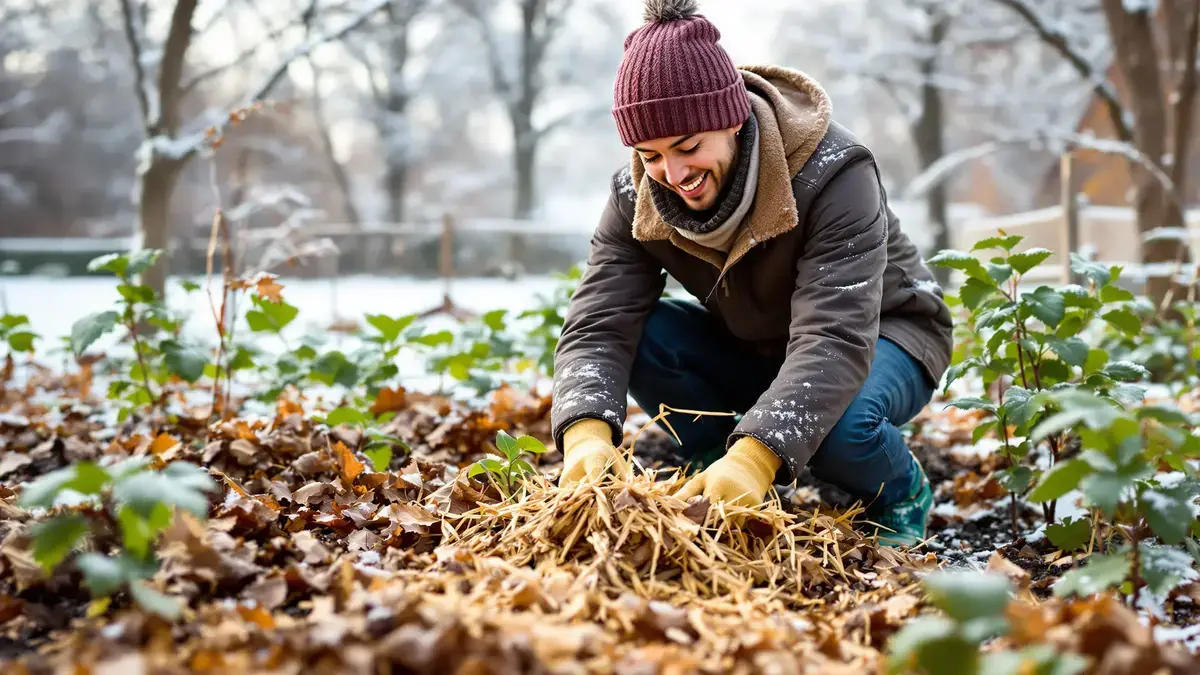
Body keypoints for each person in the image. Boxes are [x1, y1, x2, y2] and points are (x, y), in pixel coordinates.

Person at [549, 0, 954, 547]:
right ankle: (718, 461)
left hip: (885, 333)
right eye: (649, 154)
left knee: (838, 430)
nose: (673, 175)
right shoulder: (636, 196)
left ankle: (899, 490)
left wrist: (759, 458)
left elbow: (835, 336)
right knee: (647, 337)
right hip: (763, 344)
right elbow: (598, 322)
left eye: (688, 147)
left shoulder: (833, 173)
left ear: (732, 119)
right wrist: (586, 436)